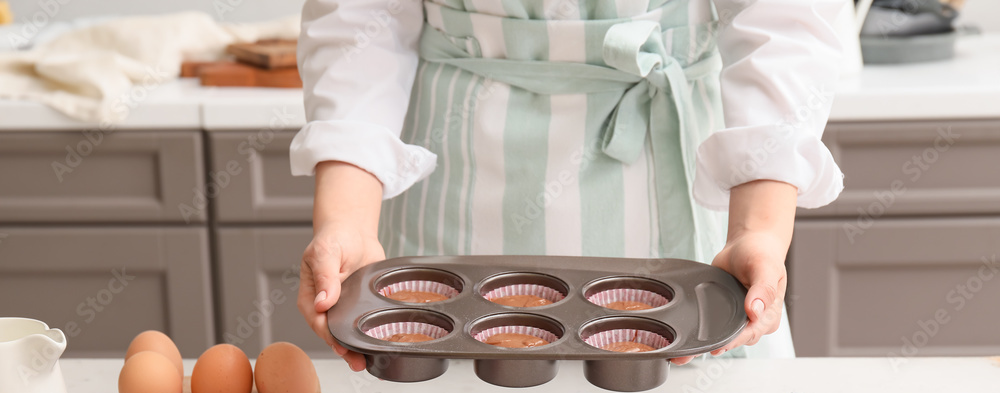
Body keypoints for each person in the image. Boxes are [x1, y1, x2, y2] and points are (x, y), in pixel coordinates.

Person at [290, 0, 846, 370]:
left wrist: (759, 229)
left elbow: (784, 20)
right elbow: (359, 22)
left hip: (671, 188)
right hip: (458, 178)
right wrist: (348, 221)